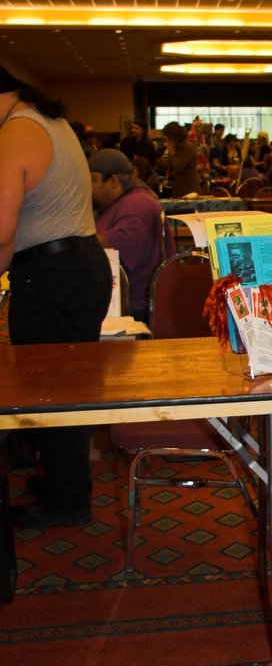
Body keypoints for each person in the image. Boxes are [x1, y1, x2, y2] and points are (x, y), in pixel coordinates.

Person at [0, 65, 113, 528]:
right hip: (80, 266)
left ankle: (66, 501)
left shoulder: (17, 131)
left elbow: (1, 231)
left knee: (51, 393)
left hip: (51, 274)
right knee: (68, 388)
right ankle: (64, 485)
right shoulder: (51, 121)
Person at [89, 148, 164, 324]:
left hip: (135, 310)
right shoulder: (123, 202)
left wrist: (73, 241)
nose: (87, 188)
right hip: (120, 302)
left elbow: (117, 246)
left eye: (92, 181)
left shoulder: (137, 204)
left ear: (114, 180)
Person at [160, 121, 198, 197]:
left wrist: (172, 152)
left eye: (168, 137)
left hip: (188, 186)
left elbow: (178, 167)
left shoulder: (188, 147)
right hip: (177, 184)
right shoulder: (176, 147)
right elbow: (170, 166)